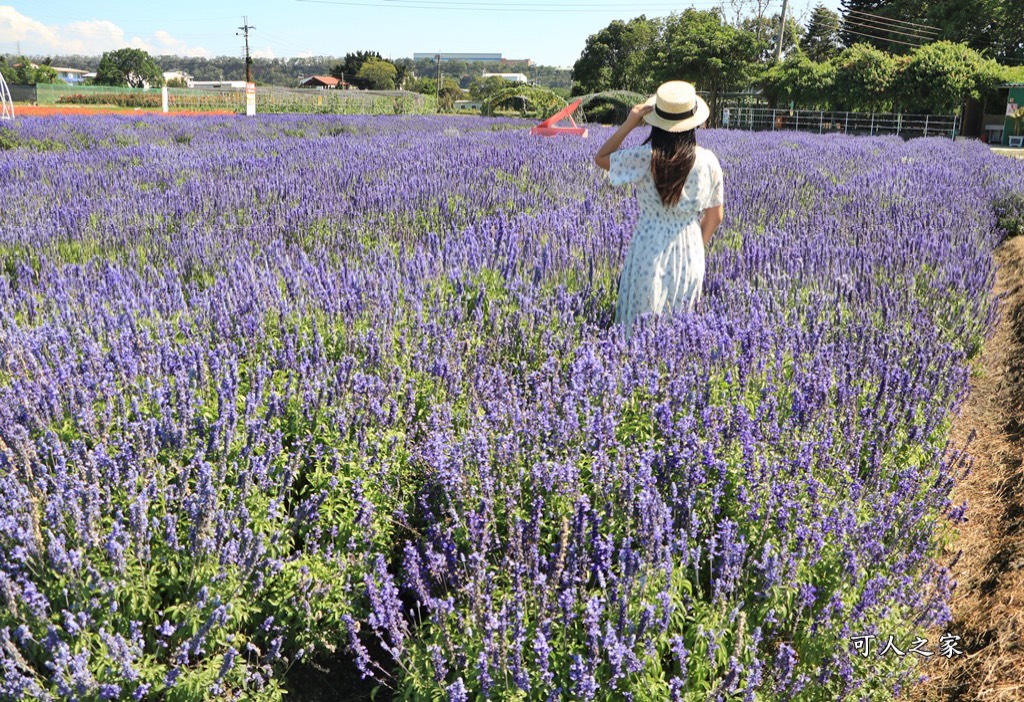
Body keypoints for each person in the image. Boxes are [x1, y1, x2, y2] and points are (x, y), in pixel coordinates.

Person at [594, 80, 724, 341]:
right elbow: (715, 217)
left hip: (648, 248)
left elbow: (601, 157)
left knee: (640, 324)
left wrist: (631, 122)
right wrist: (695, 246)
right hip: (690, 249)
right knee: (681, 331)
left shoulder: (645, 157)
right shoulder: (709, 161)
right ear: (694, 123)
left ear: (657, 122)